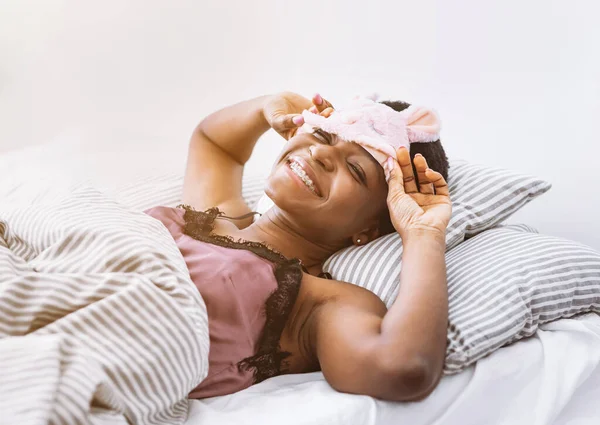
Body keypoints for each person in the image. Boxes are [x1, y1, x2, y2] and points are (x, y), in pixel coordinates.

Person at [145, 91, 451, 402]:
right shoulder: (214, 217)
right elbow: (214, 142)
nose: (319, 153)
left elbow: (399, 367)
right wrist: (272, 106)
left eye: (355, 170)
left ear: (368, 229)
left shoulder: (315, 304)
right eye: (322, 134)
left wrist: (423, 234)